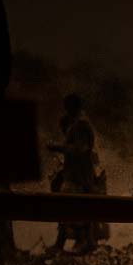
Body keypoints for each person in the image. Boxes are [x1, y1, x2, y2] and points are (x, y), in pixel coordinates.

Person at [48, 94, 102, 253]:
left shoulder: (80, 125)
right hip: (75, 173)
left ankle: (83, 241)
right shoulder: (78, 124)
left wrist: (57, 147)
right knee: (69, 207)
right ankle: (63, 242)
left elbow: (81, 148)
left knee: (71, 206)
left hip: (78, 174)